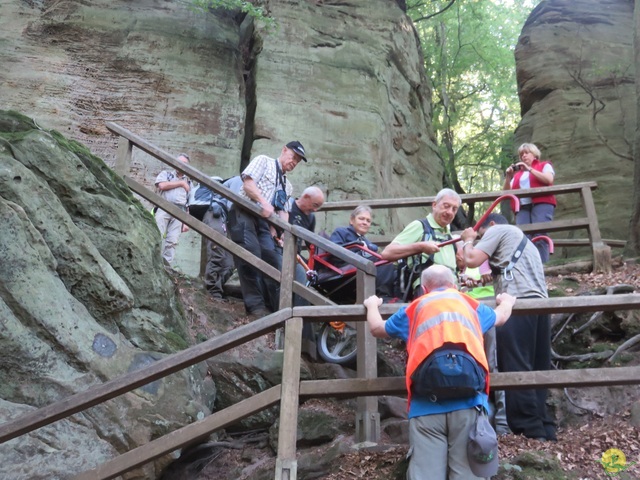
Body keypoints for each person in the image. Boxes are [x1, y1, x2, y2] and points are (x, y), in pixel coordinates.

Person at [363, 265, 516, 479]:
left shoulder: (414, 308)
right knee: (467, 474)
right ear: (454, 286)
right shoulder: (469, 304)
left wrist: (372, 305)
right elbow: (500, 318)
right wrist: (507, 302)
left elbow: (377, 328)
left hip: (426, 404)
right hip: (469, 402)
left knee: (426, 474)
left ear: (424, 289)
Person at [460, 213, 557, 442]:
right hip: (540, 304)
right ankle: (544, 427)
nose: (483, 239)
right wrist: (480, 281)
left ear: (491, 226)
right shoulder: (524, 242)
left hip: (518, 304)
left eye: (483, 235)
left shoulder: (498, 230)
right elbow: (506, 268)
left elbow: (471, 259)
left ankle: (528, 430)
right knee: (537, 365)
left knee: (516, 365)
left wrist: (468, 239)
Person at [227, 141, 307, 316]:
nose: (294, 162)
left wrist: (284, 232)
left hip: (264, 223)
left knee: (271, 256)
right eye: (293, 157)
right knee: (251, 254)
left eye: (298, 161)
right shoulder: (264, 161)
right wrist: (263, 202)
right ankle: (255, 306)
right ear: (284, 150)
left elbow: (283, 211)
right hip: (244, 211)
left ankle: (274, 306)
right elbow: (248, 183)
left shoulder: (288, 185)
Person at [381, 188, 464, 299]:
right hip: (428, 293)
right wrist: (421, 246)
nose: (450, 212)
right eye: (446, 206)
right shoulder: (420, 226)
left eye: (454, 209)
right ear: (434, 205)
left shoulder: (448, 236)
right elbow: (387, 253)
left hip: (452, 293)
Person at [189, 175, 243, 300]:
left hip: (222, 219)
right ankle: (212, 291)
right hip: (214, 214)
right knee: (217, 252)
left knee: (230, 262)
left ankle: (216, 289)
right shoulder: (238, 181)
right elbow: (233, 203)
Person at [287, 186, 325, 358]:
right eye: (314, 204)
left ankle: (309, 345)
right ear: (306, 196)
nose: (315, 209)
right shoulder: (288, 206)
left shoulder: (310, 218)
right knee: (301, 284)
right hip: (281, 250)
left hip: (297, 257)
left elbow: (311, 246)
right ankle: (300, 341)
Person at [503, 143, 556, 263]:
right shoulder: (517, 176)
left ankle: (542, 264)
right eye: (521, 154)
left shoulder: (544, 165)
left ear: (534, 154)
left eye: (527, 153)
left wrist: (530, 169)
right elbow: (506, 193)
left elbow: (548, 180)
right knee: (523, 236)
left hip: (542, 203)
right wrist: (508, 177)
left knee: (540, 233)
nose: (524, 156)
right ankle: (527, 265)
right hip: (523, 207)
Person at [329, 205, 396, 298]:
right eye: (361, 219)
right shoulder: (341, 232)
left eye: (368, 221)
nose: (365, 222)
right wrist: (358, 249)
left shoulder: (367, 242)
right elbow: (334, 253)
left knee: (390, 264)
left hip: (364, 269)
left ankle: (393, 296)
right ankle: (383, 295)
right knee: (382, 262)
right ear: (352, 220)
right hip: (344, 270)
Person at [154, 153, 192, 265]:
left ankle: (166, 267)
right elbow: (161, 186)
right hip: (164, 206)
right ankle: (152, 262)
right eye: (179, 162)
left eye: (185, 164)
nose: (181, 165)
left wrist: (186, 222)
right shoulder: (166, 174)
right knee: (157, 234)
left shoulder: (189, 182)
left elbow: (189, 203)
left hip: (180, 212)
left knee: (172, 240)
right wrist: (180, 183)